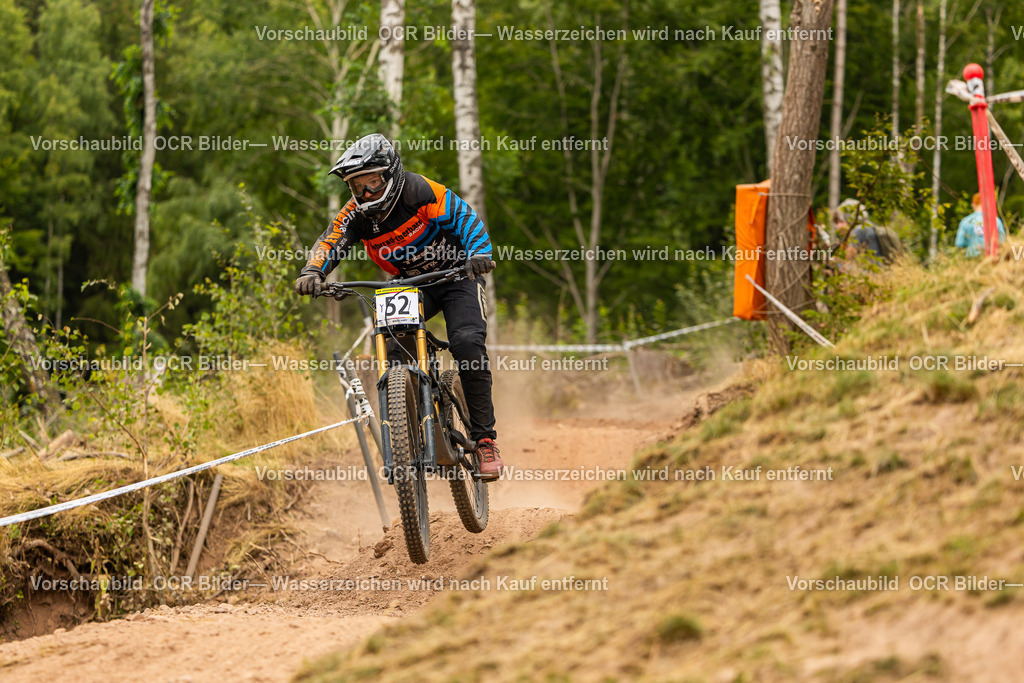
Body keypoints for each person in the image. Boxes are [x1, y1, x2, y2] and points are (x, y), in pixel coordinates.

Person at [293, 133, 503, 479]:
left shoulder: (419, 191)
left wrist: (479, 254)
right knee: (389, 338)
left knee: (467, 342)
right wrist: (314, 270)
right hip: (411, 283)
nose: (365, 194)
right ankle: (407, 430)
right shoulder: (356, 215)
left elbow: (466, 219)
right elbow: (331, 239)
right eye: (356, 187)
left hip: (458, 277)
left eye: (372, 183)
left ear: (390, 175)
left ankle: (484, 441)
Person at [956, 192, 1006, 257]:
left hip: (971, 258)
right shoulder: (996, 221)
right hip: (991, 258)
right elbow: (1003, 241)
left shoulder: (965, 221)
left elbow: (959, 243)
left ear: (973, 204)